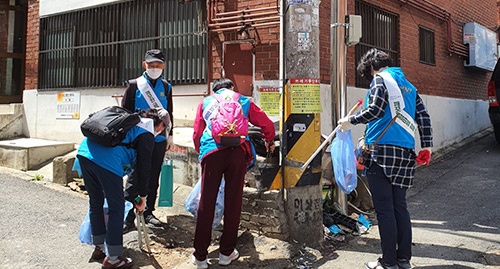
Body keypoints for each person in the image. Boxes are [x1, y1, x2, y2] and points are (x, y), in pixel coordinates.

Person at [337, 48, 433, 269]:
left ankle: (388, 262)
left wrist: (349, 121)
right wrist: (426, 145)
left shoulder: (380, 79)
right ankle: (404, 260)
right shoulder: (410, 86)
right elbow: (423, 117)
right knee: (400, 206)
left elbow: (375, 110)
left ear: (371, 68)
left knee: (384, 208)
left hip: (381, 153)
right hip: (406, 153)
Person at [191, 78, 276, 268]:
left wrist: (202, 152)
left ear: (214, 90)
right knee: (233, 202)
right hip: (236, 153)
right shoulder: (243, 100)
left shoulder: (205, 102)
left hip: (212, 153)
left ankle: (201, 257)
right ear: (231, 88)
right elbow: (266, 123)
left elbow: (197, 133)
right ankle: (226, 253)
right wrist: (269, 140)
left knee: (206, 202)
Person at [75, 108, 170, 268]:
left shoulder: (130, 121)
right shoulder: (146, 133)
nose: (161, 132)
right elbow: (144, 168)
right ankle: (113, 258)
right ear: (159, 124)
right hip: (106, 162)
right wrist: (143, 197)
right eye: (163, 128)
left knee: (96, 202)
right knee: (116, 208)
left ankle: (100, 247)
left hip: (84, 154)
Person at [121, 49, 174, 228]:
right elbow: (124, 113)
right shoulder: (135, 85)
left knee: (153, 175)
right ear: (145, 65)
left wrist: (170, 136)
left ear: (164, 66)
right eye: (151, 65)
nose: (155, 68)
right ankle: (128, 215)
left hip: (158, 140)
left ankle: (148, 211)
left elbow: (170, 111)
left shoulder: (166, 87)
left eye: (158, 65)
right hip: (138, 139)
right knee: (135, 176)